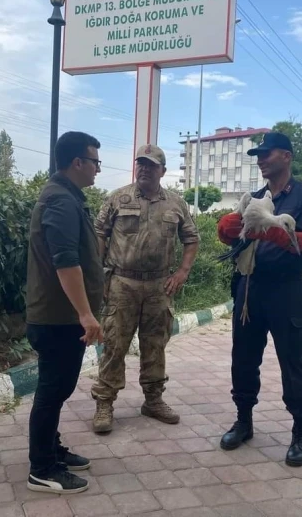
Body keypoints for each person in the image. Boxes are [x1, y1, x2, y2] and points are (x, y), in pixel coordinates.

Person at [216, 131, 302, 467]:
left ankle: (301, 431)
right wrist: (229, 231)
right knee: (244, 357)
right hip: (250, 288)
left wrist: (277, 231)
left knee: (293, 362)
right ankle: (243, 421)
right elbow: (237, 238)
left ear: (287, 156)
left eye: (267, 154)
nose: (261, 160)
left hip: (286, 291)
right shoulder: (255, 197)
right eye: (258, 155)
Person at [90, 144, 200, 433]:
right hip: (122, 284)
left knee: (156, 344)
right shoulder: (117, 198)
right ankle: (104, 402)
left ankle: (153, 400)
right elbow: (99, 235)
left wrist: (182, 272)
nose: (144, 169)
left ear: (162, 171)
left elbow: (191, 239)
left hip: (158, 285)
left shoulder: (175, 203)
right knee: (114, 343)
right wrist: (99, 275)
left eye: (151, 165)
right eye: (141, 164)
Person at [24, 131, 105, 494]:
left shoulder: (68, 196)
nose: (97, 169)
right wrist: (86, 315)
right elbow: (66, 262)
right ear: (78, 162)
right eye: (95, 162)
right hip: (58, 317)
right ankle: (41, 468)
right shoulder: (60, 201)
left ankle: (51, 450)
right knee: (52, 390)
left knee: (57, 388)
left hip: (61, 315)